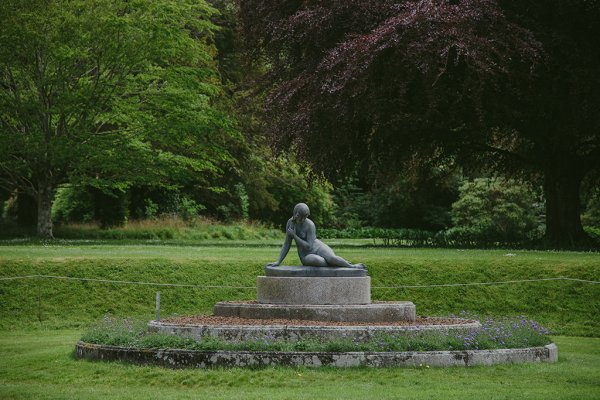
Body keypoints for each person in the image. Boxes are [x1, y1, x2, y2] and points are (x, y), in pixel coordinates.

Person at [267, 203, 367, 269]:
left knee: (332, 258)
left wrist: (294, 236)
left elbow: (309, 246)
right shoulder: (290, 223)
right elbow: (287, 244)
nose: (304, 219)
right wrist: (278, 261)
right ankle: (339, 264)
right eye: (302, 217)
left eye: (306, 217)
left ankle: (352, 266)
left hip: (317, 246)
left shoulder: (310, 225)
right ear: (296, 214)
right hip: (305, 255)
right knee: (320, 261)